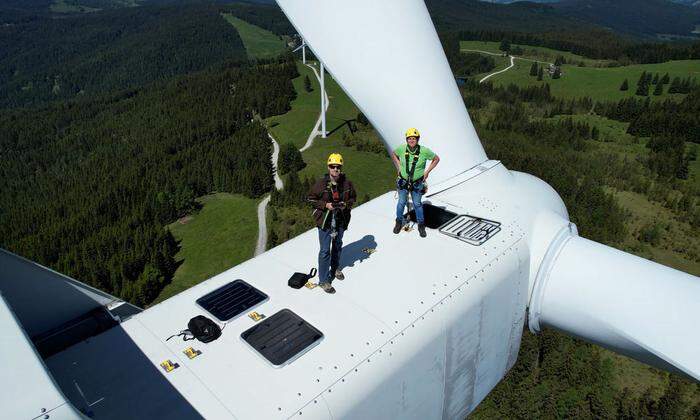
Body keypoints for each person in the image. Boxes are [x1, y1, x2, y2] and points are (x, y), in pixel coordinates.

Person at [307, 153, 357, 294]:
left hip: (340, 218)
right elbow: (310, 199)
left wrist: (345, 205)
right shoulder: (321, 184)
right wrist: (325, 205)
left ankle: (335, 268)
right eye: (332, 166)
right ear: (328, 168)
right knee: (324, 251)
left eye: (338, 167)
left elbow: (353, 198)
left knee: (338, 244)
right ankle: (323, 281)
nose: (335, 169)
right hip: (325, 220)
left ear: (341, 168)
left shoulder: (347, 183)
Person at [391, 128, 440, 238]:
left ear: (417, 139)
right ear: (406, 140)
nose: (411, 140)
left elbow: (436, 159)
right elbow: (394, 154)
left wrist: (427, 172)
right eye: (409, 139)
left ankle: (421, 225)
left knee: (417, 204)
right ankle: (399, 222)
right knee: (401, 202)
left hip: (417, 183)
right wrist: (399, 166)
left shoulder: (424, 151)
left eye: (414, 138)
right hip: (403, 181)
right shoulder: (402, 149)